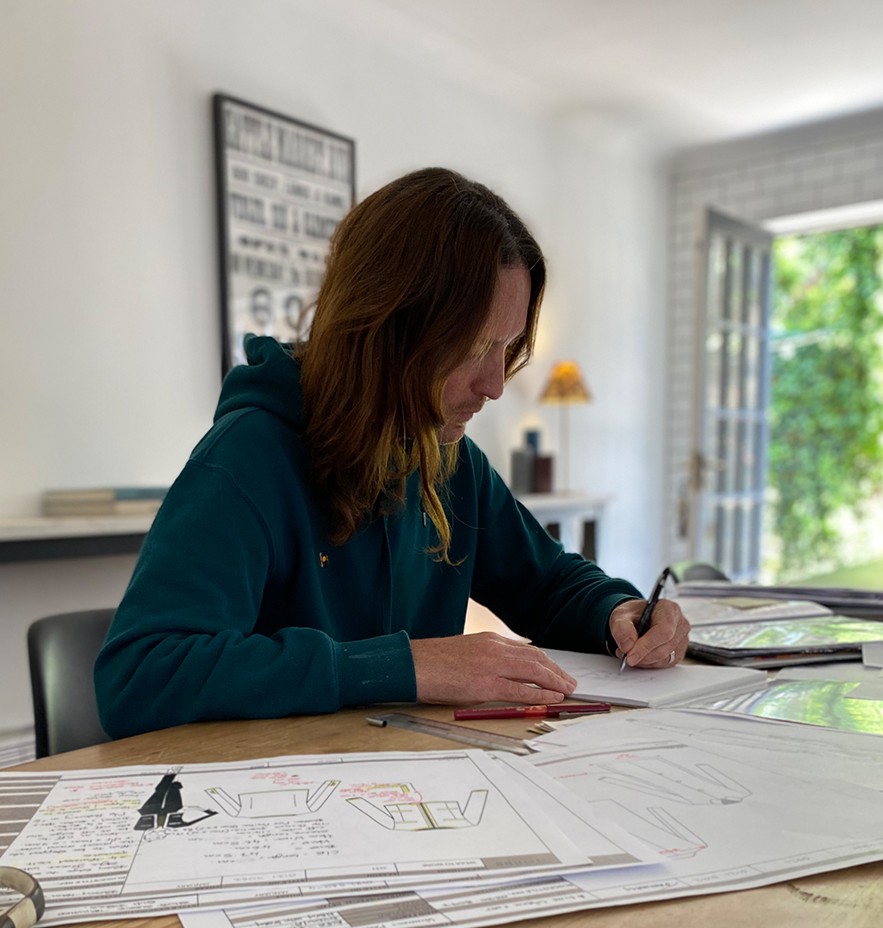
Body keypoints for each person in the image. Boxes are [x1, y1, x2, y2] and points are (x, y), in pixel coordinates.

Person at [95, 168, 688, 738]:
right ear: (387, 327)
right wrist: (404, 667)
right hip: (272, 805)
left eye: (505, 348)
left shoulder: (448, 457)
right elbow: (141, 674)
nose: (495, 384)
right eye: (475, 345)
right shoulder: (248, 458)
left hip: (401, 779)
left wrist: (618, 610)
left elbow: (547, 583)